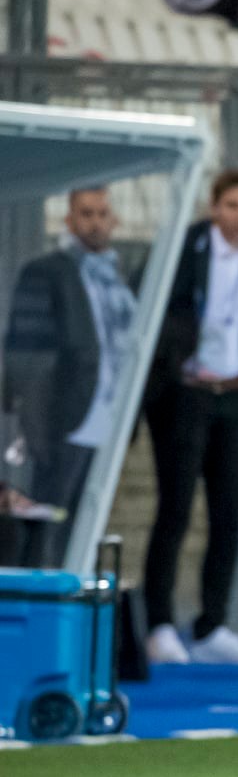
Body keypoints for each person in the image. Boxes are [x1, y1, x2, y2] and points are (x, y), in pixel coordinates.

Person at [142, 169, 238, 667]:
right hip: (187, 393)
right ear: (215, 207)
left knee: (230, 513)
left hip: (232, 394)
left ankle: (212, 622)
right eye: (234, 206)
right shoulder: (186, 249)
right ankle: (158, 622)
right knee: (174, 510)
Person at [0, 188, 137, 570]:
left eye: (102, 214)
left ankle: (71, 611)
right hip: (62, 423)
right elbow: (25, 354)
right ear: (69, 220)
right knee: (43, 525)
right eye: (86, 214)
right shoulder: (47, 272)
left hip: (106, 420)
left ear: (114, 220)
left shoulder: (116, 280)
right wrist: (32, 422)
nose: (95, 223)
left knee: (87, 525)